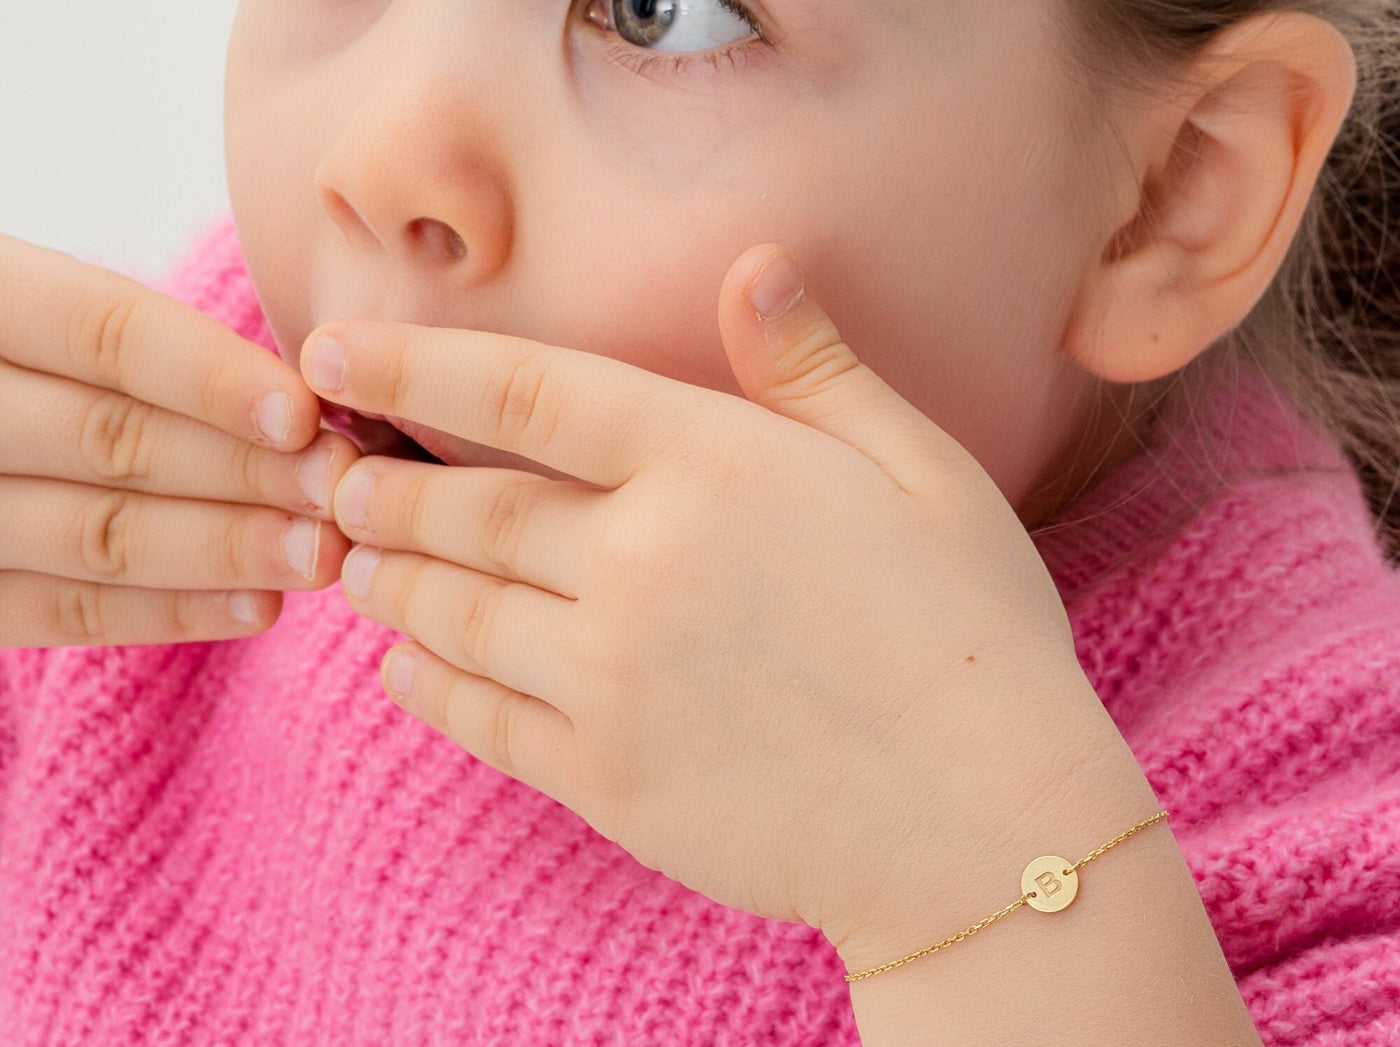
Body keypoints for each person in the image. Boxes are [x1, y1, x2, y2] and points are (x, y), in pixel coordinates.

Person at [1, 0, 1397, 1043]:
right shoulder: (179, 456)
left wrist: (980, 882)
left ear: (1172, 196)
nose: (382, 157)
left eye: (660, 9)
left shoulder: (1320, 808)